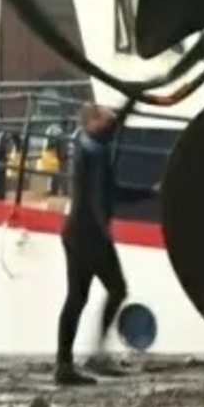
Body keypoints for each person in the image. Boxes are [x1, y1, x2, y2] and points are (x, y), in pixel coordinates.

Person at [56, 102, 156, 386]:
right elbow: (100, 197)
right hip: (90, 234)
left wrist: (149, 193)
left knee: (76, 298)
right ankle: (95, 357)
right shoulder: (94, 150)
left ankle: (64, 364)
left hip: (74, 232)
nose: (110, 119)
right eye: (103, 114)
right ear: (92, 122)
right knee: (116, 289)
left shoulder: (89, 145)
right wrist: (104, 228)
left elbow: (111, 191)